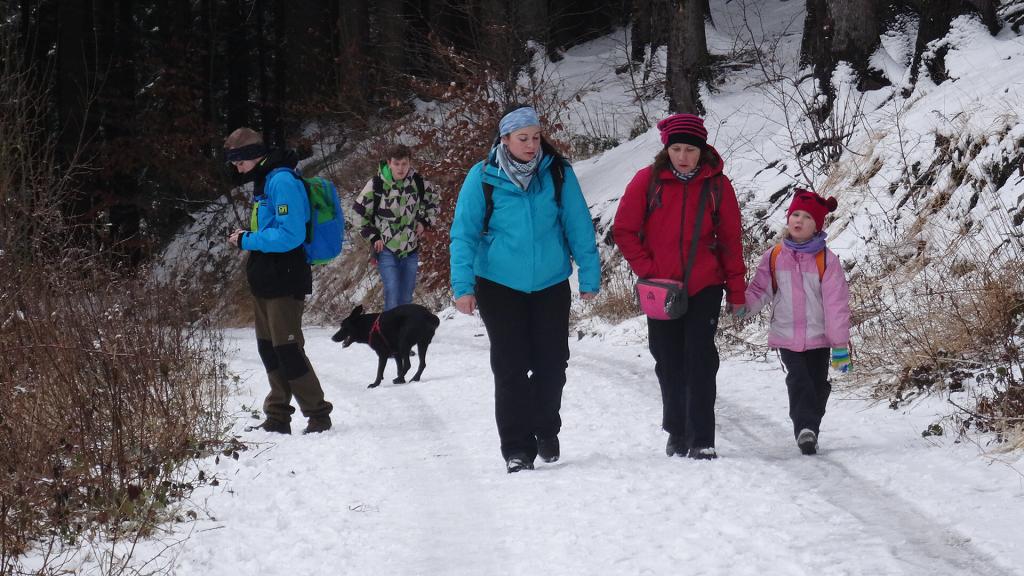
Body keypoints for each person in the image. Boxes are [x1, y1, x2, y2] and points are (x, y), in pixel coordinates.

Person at [449, 105, 601, 473]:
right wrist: (462, 285)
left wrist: (589, 274)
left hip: (549, 282)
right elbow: (464, 233)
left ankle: (546, 428)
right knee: (510, 366)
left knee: (552, 364)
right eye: (523, 139)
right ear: (504, 140)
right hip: (499, 285)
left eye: (535, 137)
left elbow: (578, 224)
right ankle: (516, 449)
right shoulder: (483, 177)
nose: (532, 145)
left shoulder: (558, 174)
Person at [612, 113, 746, 460]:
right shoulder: (648, 181)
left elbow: (731, 240)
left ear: (702, 151)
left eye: (690, 149)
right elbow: (624, 230)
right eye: (676, 149)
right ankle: (677, 430)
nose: (683, 156)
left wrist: (736, 290)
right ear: (666, 149)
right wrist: (647, 268)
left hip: (705, 283)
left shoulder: (718, 185)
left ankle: (702, 436)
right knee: (667, 359)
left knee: (700, 358)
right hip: (660, 287)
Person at [224, 127, 333, 435]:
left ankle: (318, 414)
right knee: (268, 347)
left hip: (285, 276)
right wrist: (250, 240)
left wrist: (249, 239)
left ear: (250, 155)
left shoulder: (282, 180)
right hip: (267, 276)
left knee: (287, 348)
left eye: (238, 160)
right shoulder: (267, 179)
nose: (236, 167)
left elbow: (291, 234)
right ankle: (277, 416)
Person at [743, 189, 851, 455]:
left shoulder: (826, 261)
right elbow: (760, 289)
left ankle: (811, 425)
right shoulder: (775, 255)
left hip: (819, 337)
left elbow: (836, 305)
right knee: (798, 379)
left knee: (818, 384)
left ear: (817, 226)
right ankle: (805, 429)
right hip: (787, 333)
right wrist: (741, 307)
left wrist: (839, 344)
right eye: (794, 215)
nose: (798, 220)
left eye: (806, 217)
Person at [354, 144, 440, 311]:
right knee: (392, 291)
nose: (400, 168)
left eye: (404, 164)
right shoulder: (376, 184)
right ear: (389, 163)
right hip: (386, 248)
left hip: (411, 248)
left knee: (406, 296)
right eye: (396, 164)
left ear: (410, 163)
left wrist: (424, 222)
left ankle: (402, 334)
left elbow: (434, 203)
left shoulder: (418, 182)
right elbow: (357, 214)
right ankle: (389, 335)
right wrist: (373, 236)